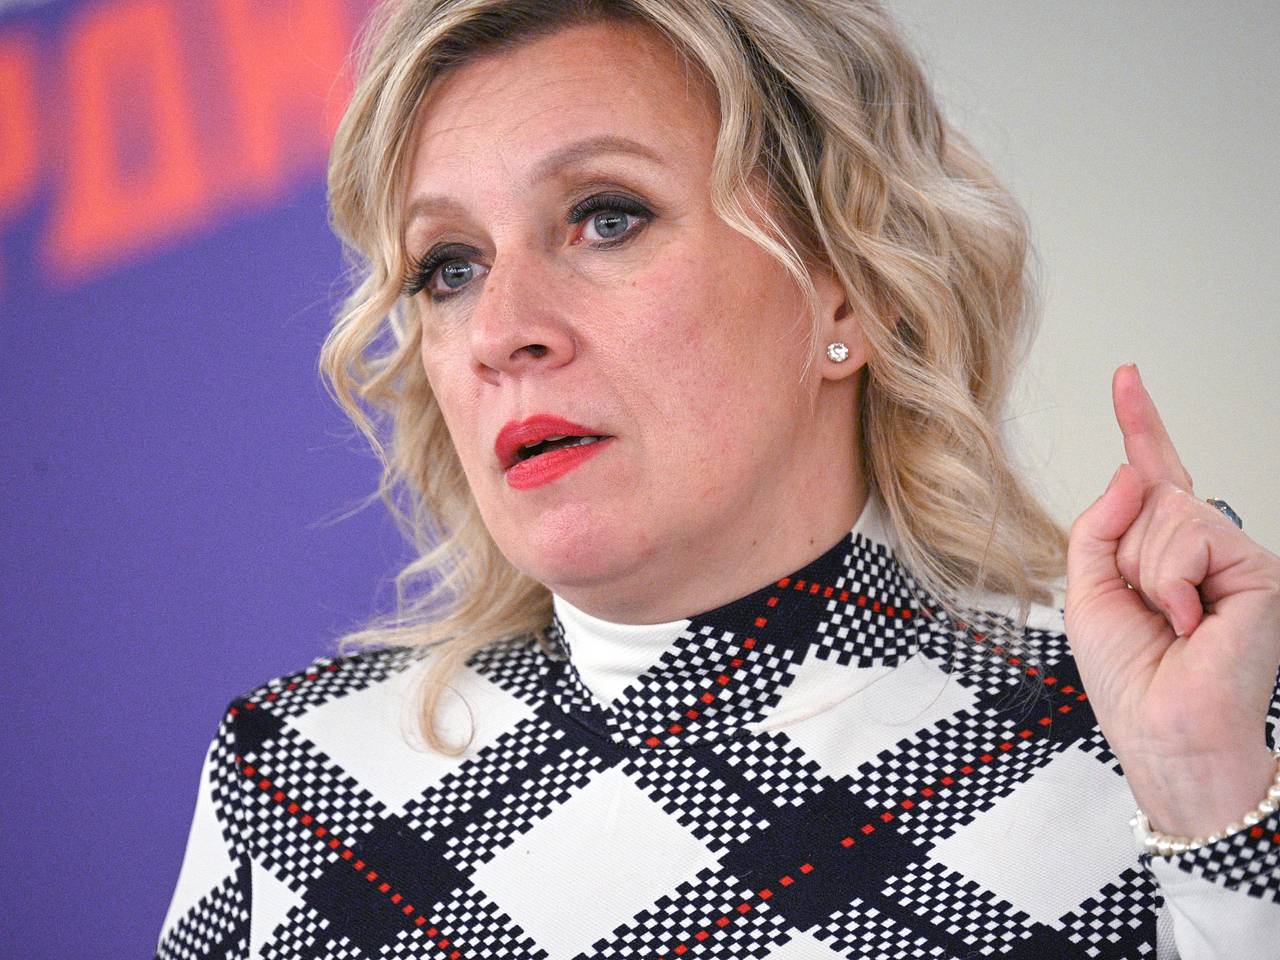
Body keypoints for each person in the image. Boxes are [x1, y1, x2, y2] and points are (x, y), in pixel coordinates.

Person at [155, 1, 1280, 957]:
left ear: (847, 288)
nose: (500, 330)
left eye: (605, 218)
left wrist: (1205, 801)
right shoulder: (299, 781)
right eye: (449, 267)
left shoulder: (1175, 729)